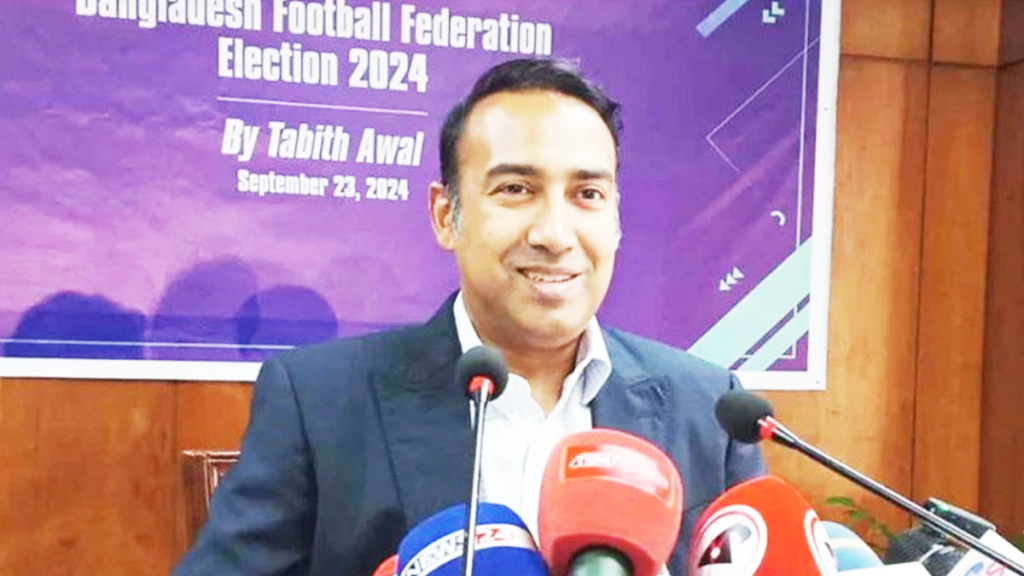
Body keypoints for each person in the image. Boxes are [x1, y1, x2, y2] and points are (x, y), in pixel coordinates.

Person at [171, 58, 765, 576]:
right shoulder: (320, 403)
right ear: (445, 215)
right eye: (516, 189)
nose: (555, 234)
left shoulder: (709, 410)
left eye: (587, 195)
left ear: (615, 220)